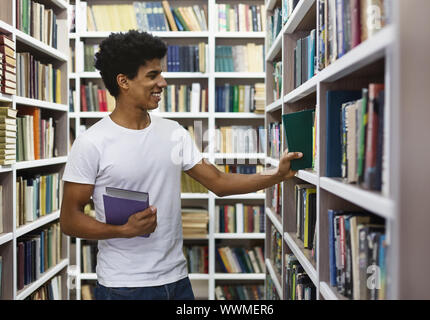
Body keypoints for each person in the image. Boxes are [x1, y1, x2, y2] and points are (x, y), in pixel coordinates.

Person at [60, 30, 303, 300]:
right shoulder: (91, 142)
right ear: (123, 81)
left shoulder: (174, 133)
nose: (163, 82)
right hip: (123, 286)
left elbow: (219, 183)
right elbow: (70, 220)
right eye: (152, 75)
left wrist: (277, 174)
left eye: (161, 73)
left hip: (176, 280)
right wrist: (123, 230)